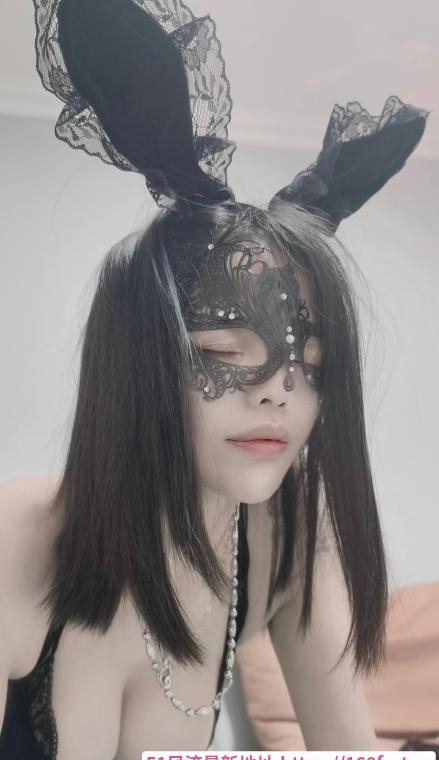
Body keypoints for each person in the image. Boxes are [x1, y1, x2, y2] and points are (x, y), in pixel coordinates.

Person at [0, 0, 429, 757]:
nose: (277, 393)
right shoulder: (15, 542)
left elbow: (347, 745)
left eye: (311, 367)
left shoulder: (285, 534)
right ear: (134, 363)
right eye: (224, 354)